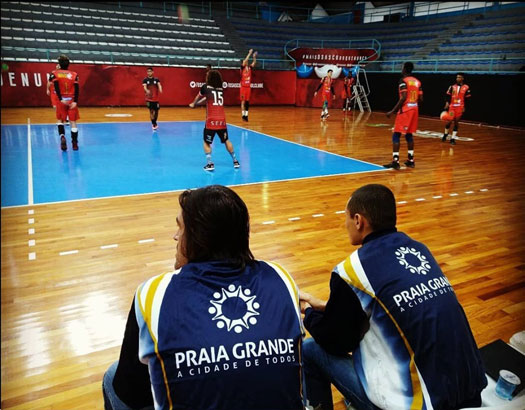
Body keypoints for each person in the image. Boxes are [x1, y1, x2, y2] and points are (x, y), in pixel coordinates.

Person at [102, 185, 305, 410]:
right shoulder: (282, 278)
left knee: (113, 377)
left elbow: (133, 395)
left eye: (180, 228)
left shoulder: (153, 294)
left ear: (198, 237)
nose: (175, 236)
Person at [299, 184, 487, 410]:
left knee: (310, 351)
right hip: (468, 390)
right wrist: (328, 307)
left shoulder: (352, 271)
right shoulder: (419, 250)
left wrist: (308, 315)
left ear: (358, 221)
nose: (345, 223)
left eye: (346, 217)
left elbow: (336, 341)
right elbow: (394, 307)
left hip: (421, 405)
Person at [189, 70, 240, 171]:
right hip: (222, 121)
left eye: (207, 76)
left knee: (206, 142)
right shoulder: (220, 89)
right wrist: (198, 103)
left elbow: (198, 97)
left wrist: (193, 104)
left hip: (211, 121)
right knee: (226, 140)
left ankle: (209, 164)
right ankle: (235, 161)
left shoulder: (205, 87)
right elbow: (207, 98)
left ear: (210, 78)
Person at [384, 62, 423, 169]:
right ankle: (411, 160)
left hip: (405, 110)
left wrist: (392, 111)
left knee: (396, 134)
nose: (401, 69)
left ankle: (395, 161)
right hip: (415, 109)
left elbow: (403, 97)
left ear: (405, 69)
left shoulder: (403, 81)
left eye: (402, 67)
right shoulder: (417, 82)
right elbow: (421, 99)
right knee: (409, 134)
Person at [49, 55, 79, 151]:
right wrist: (75, 101)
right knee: (73, 123)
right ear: (68, 64)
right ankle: (74, 143)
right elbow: (77, 89)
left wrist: (61, 99)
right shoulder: (74, 74)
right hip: (71, 101)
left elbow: (56, 86)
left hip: (62, 101)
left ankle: (62, 136)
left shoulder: (54, 73)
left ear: (59, 64)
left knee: (60, 120)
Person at [442, 73, 471, 145]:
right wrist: (447, 103)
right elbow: (447, 95)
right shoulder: (452, 87)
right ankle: (446, 134)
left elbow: (468, 98)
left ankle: (453, 138)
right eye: (457, 77)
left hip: (460, 107)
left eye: (459, 77)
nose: (457, 78)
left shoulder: (466, 87)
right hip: (452, 107)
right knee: (449, 121)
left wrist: (464, 107)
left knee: (456, 122)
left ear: (462, 78)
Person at [142, 67, 163, 131]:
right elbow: (144, 87)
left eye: (150, 71)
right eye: (148, 71)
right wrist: (147, 90)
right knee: (151, 111)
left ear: (152, 72)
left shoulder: (156, 79)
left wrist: (160, 88)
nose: (149, 72)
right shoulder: (145, 80)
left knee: (156, 112)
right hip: (149, 99)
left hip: (156, 99)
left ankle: (154, 122)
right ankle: (154, 124)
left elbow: (159, 85)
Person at [240, 49, 257, 121]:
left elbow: (254, 62)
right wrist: (249, 53)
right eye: (245, 61)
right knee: (243, 101)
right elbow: (245, 60)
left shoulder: (250, 68)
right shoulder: (242, 68)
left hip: (248, 88)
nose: (246, 61)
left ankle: (246, 116)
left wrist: (254, 57)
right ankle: (243, 114)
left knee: (247, 101)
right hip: (243, 87)